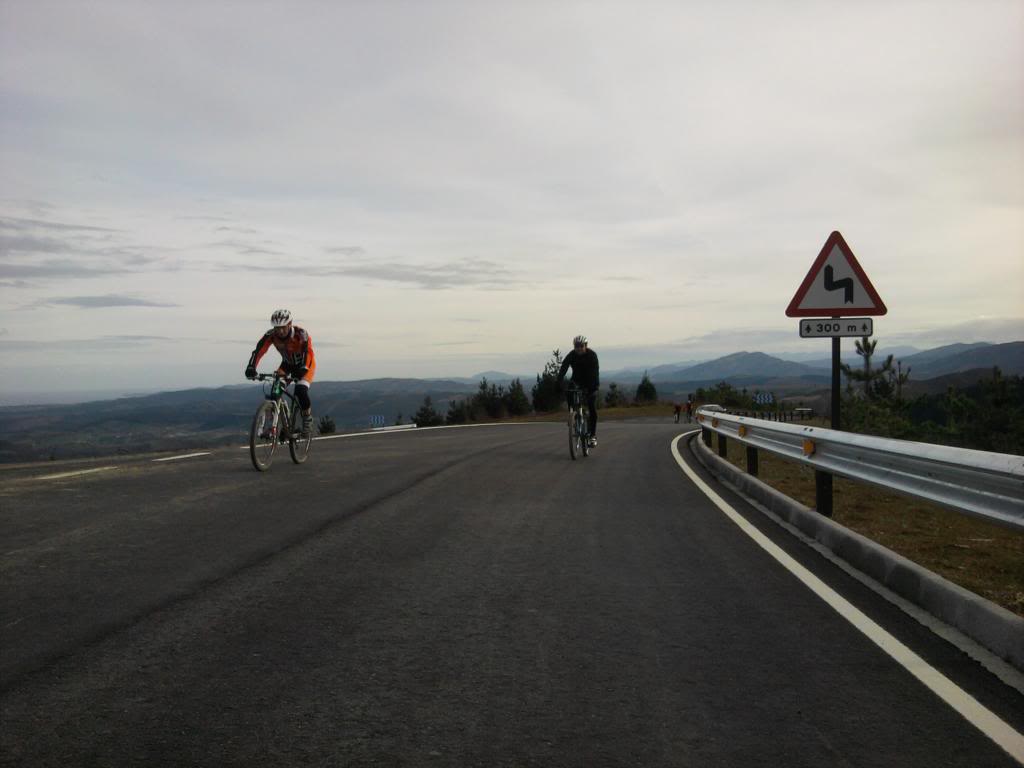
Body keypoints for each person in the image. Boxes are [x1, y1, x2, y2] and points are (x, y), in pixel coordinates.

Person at [245, 309, 317, 435]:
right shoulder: (271, 335)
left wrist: (303, 368)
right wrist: (251, 367)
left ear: (290, 324)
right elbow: (259, 351)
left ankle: (307, 419)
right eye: (277, 328)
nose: (280, 331)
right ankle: (280, 425)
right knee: (275, 392)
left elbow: (308, 352)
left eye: (283, 327)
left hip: (305, 365)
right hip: (287, 365)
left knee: (300, 391)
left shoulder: (301, 334)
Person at [557, 335, 600, 447]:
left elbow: (595, 373)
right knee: (570, 391)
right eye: (576, 346)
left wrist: (593, 388)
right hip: (577, 381)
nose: (579, 348)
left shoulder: (592, 355)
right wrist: (559, 382)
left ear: (585, 346)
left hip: (590, 382)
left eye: (581, 346)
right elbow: (564, 367)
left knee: (591, 406)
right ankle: (572, 415)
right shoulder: (572, 355)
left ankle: (593, 436)